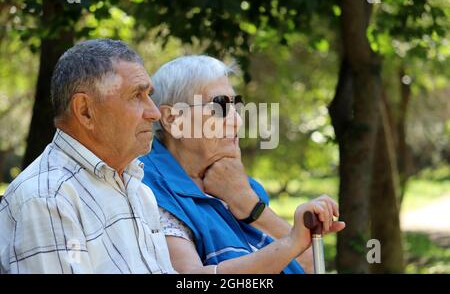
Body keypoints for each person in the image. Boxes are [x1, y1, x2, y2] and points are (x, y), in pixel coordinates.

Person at [140, 55, 345, 274]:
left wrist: (249, 205)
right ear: (173, 119)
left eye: (236, 106)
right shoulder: (148, 186)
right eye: (220, 106)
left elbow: (309, 265)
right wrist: (291, 243)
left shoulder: (241, 185)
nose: (237, 120)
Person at [0, 39, 175, 274]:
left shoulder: (137, 188)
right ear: (85, 111)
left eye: (149, 95)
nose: (154, 112)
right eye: (136, 96)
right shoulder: (48, 198)